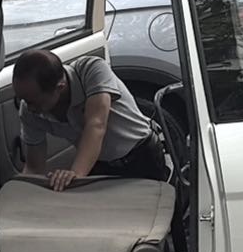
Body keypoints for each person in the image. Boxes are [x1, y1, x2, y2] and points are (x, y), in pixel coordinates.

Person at [13, 49, 164, 189]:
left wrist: (75, 175)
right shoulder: (28, 110)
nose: (29, 108)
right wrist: (21, 191)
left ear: (60, 87)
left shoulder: (92, 69)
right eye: (22, 99)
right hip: (99, 164)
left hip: (141, 155)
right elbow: (34, 168)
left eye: (34, 102)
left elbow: (96, 124)